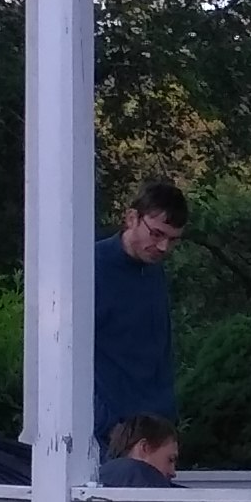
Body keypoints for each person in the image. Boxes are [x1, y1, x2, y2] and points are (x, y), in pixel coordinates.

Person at [93, 177, 187, 448]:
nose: (163, 248)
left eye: (172, 240)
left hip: (155, 429)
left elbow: (161, 350)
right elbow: (67, 354)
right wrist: (107, 424)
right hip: (108, 436)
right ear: (132, 217)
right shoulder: (91, 268)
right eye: (156, 234)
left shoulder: (154, 270)